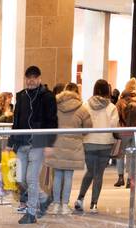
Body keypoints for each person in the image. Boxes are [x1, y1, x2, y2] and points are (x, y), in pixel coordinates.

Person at [10, 65, 58, 224]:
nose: (31, 80)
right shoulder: (21, 96)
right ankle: (44, 199)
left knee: (31, 178)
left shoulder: (48, 97)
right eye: (28, 78)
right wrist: (11, 142)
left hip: (38, 142)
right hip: (21, 142)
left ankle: (31, 213)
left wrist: (50, 143)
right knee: (19, 178)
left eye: (34, 77)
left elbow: (52, 121)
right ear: (25, 79)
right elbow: (16, 121)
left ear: (39, 79)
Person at [72, 80, 118, 214]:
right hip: (105, 143)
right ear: (107, 91)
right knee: (99, 174)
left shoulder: (86, 105)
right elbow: (114, 126)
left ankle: (80, 199)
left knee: (90, 171)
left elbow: (80, 122)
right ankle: (94, 204)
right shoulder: (112, 107)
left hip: (89, 142)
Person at [45, 83, 89, 215]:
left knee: (57, 175)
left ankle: (56, 204)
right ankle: (65, 205)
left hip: (57, 144)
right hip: (74, 147)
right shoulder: (82, 109)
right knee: (68, 176)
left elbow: (48, 124)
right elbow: (88, 127)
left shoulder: (55, 106)